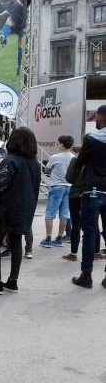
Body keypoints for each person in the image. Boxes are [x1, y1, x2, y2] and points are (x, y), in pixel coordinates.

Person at [0, 127, 41, 295]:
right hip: (25, 209)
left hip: (5, 208)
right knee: (16, 242)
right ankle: (13, 281)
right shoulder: (35, 164)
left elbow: (1, 185)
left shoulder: (10, 160)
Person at [71, 104, 106, 289]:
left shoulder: (92, 140)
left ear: (101, 117)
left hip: (92, 191)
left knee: (90, 234)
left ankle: (86, 276)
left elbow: (79, 163)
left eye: (97, 116)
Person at [40, 135, 74, 248]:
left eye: (58, 143)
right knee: (64, 214)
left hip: (56, 187)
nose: (57, 145)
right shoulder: (73, 157)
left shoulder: (55, 157)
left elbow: (46, 170)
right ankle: (59, 238)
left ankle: (48, 239)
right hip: (68, 187)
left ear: (62, 144)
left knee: (50, 213)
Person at [0, 0, 27, 76]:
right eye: (0, 1)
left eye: (2, 1)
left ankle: (4, 37)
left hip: (20, 24)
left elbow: (12, 22)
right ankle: (19, 67)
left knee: (9, 21)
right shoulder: (12, 3)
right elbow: (0, 15)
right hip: (19, 24)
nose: (1, 3)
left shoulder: (15, 6)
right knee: (19, 47)